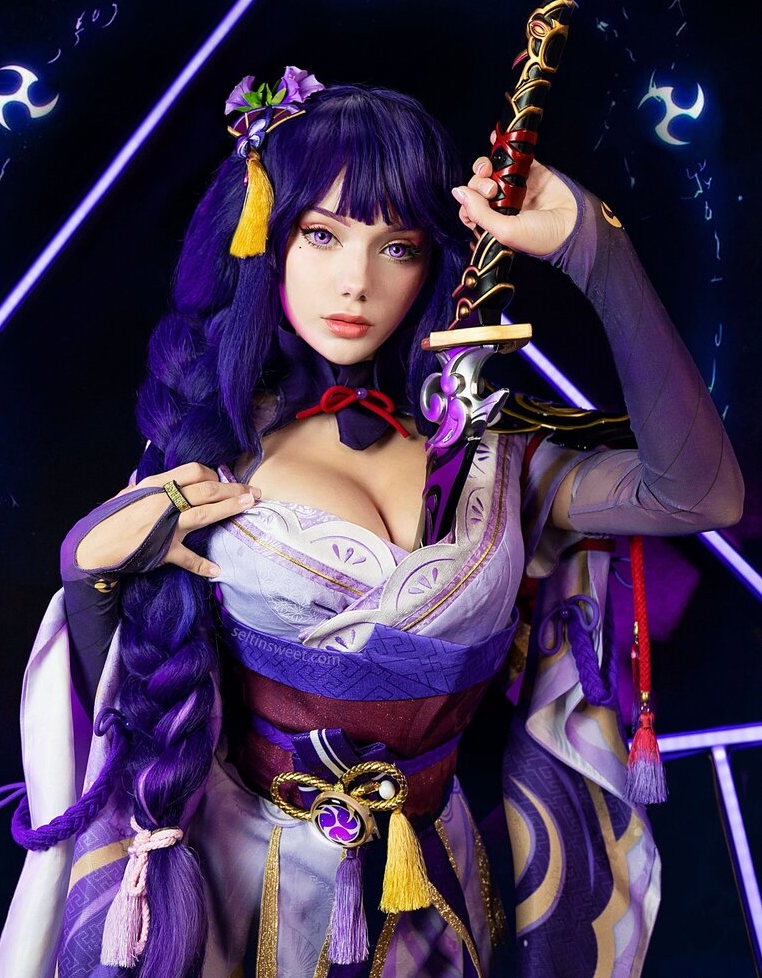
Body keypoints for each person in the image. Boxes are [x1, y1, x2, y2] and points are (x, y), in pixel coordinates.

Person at [0, 68, 743, 978]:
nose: (354, 282)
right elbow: (128, 703)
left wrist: (598, 249)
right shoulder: (211, 453)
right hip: (239, 896)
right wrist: (87, 575)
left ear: (433, 263)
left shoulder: (495, 457)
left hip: (431, 892)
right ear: (266, 236)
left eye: (397, 246)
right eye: (321, 234)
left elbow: (700, 496)